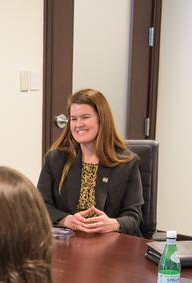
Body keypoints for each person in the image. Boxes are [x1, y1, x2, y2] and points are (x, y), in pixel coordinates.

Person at [36, 89, 144, 237]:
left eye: (85, 117)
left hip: (111, 244)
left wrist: (113, 224)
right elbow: (40, 206)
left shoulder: (126, 163)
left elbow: (134, 217)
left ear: (102, 119)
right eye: (73, 119)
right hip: (69, 243)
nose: (78, 124)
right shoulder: (55, 159)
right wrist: (67, 220)